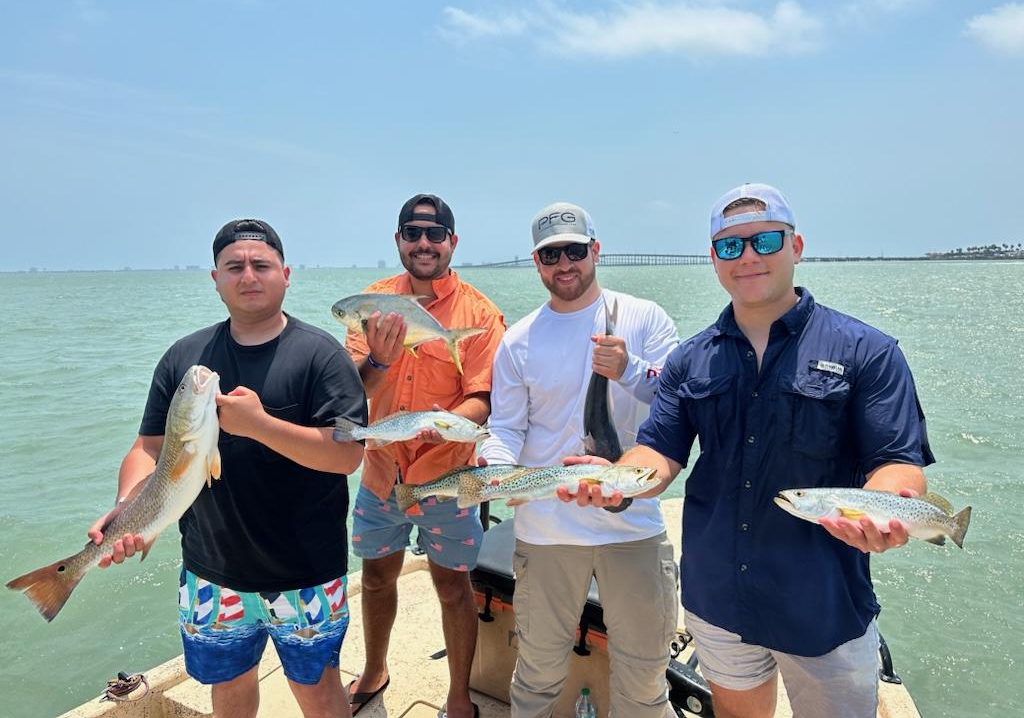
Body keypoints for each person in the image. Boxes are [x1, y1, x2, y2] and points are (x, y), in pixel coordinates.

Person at [565, 184, 933, 718]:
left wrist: (882, 506)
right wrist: (616, 481)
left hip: (822, 603)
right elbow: (658, 453)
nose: (750, 257)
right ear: (714, 259)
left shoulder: (868, 351)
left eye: (765, 240)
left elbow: (897, 462)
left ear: (796, 246)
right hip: (718, 597)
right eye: (731, 246)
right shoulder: (690, 360)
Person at [89, 218, 368, 718]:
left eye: (261, 265)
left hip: (305, 571)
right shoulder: (186, 357)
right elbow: (149, 447)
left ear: (286, 274)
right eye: (233, 266)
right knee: (230, 690)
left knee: (319, 690)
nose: (248, 276)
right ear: (215, 278)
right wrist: (127, 505)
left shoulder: (321, 355)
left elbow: (347, 454)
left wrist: (260, 425)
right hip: (211, 572)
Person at [478, 202, 681, 718]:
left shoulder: (645, 317)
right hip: (547, 529)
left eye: (574, 250)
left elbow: (680, 408)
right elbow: (505, 426)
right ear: (537, 262)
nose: (564, 263)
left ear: (595, 249)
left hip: (631, 524)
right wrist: (495, 467)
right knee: (537, 672)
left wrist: (630, 369)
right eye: (551, 254)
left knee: (644, 676)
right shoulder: (519, 339)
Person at [344, 194, 505, 718]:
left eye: (436, 234)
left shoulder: (479, 314)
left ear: (452, 243)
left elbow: (484, 396)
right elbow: (353, 390)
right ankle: (374, 669)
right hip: (380, 473)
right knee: (374, 576)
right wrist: (379, 357)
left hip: (451, 475)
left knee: (454, 586)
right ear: (398, 241)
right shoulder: (370, 303)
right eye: (412, 233)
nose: (424, 243)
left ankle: (458, 695)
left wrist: (453, 425)